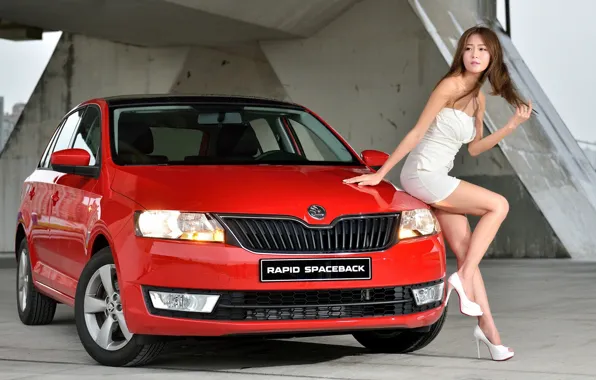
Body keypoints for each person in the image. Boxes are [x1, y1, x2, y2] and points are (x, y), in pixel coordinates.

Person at [343, 25, 532, 361]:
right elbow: (417, 132)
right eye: (469, 48)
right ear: (461, 53)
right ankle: (461, 278)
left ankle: (491, 335)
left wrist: (510, 127)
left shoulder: (477, 99)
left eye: (482, 50)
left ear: (492, 58)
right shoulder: (449, 85)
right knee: (498, 205)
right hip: (421, 174)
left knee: (465, 252)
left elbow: (474, 149)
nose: (475, 55)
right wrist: (382, 175)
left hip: (438, 177)